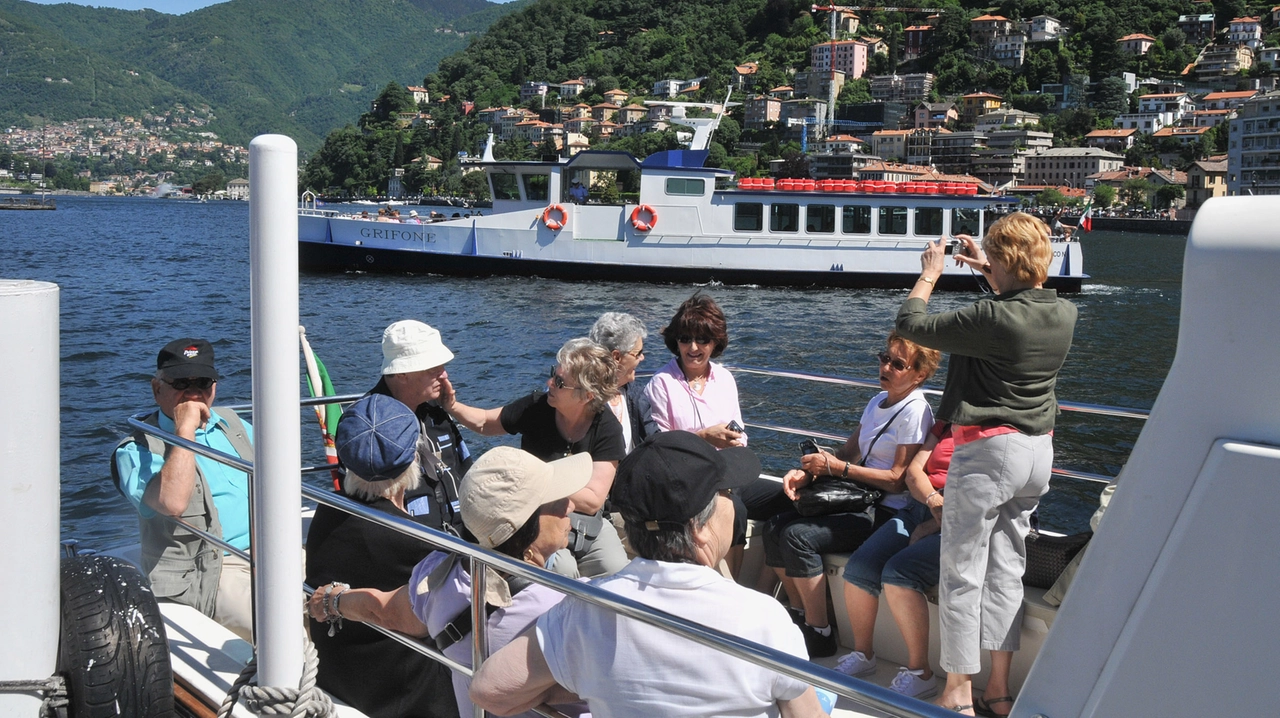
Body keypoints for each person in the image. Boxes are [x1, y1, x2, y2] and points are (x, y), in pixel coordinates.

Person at [470, 431, 830, 718]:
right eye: (725, 492)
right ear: (698, 527)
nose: (732, 501)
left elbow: (489, 692)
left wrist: (595, 680)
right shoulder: (764, 619)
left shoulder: (585, 611)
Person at [896, 212, 1076, 715]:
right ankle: (998, 690)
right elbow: (1018, 305)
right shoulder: (1062, 312)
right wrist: (990, 269)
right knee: (1005, 571)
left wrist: (930, 272)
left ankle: (957, 690)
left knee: (961, 571)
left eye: (993, 257)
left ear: (1003, 259)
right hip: (1037, 453)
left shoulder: (990, 317)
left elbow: (910, 325)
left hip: (990, 452)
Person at [308, 446, 592, 718]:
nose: (570, 504)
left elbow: (382, 610)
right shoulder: (573, 608)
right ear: (527, 528)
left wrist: (334, 600)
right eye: (556, 501)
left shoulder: (439, 581)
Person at [762, 332, 938, 658]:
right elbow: (848, 450)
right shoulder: (877, 402)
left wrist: (838, 468)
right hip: (857, 498)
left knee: (799, 537)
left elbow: (898, 480)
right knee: (774, 527)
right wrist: (811, 471)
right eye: (884, 357)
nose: (885, 366)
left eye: (897, 364)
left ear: (919, 374)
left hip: (885, 511)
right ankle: (800, 614)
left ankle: (820, 630)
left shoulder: (916, 411)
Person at [305, 394, 459, 718]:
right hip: (406, 701)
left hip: (338, 681)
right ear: (412, 462)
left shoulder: (326, 514)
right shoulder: (418, 544)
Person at [442, 338, 628, 578]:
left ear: (587, 396)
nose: (549, 383)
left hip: (586, 523)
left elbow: (593, 500)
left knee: (616, 567)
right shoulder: (537, 408)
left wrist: (534, 483)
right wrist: (452, 406)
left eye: (560, 382)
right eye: (553, 373)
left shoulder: (607, 427)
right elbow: (486, 422)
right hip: (538, 519)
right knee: (562, 568)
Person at [113, 338, 254, 641]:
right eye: (180, 383)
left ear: (214, 387)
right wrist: (184, 430)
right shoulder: (136, 450)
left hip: (269, 552)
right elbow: (172, 502)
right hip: (211, 568)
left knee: (348, 606)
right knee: (283, 631)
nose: (192, 393)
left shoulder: (234, 424)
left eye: (202, 382)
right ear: (157, 388)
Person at [644, 292, 791, 572]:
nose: (693, 347)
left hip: (728, 472)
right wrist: (703, 438)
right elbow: (660, 448)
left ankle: (767, 585)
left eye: (703, 340)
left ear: (716, 343)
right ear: (675, 341)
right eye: (685, 339)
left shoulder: (724, 378)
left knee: (790, 497)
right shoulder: (662, 383)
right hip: (688, 480)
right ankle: (730, 586)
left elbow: (740, 432)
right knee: (736, 510)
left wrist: (733, 440)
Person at [832, 422, 962, 701]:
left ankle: (921, 674)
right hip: (922, 506)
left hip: (961, 516)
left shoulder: (994, 429)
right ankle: (863, 655)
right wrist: (930, 501)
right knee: (859, 568)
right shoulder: (947, 422)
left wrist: (935, 522)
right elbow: (914, 471)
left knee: (899, 573)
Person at [368, 320, 472, 534]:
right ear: (402, 374)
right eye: (434, 368)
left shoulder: (437, 412)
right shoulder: (368, 425)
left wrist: (451, 408)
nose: (444, 375)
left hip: (464, 537)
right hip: (415, 546)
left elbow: (465, 468)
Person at [588, 312, 656, 454]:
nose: (642, 358)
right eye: (638, 353)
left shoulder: (636, 395)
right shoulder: (584, 400)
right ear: (616, 357)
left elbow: (654, 438)